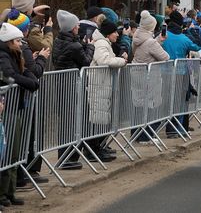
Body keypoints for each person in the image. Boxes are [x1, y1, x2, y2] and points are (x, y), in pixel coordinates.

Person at [6, 10, 50, 187]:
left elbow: (24, 70)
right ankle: (19, 176)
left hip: (18, 99)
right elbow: (33, 72)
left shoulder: (19, 48)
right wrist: (41, 59)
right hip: (16, 101)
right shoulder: (21, 47)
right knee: (17, 141)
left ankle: (17, 178)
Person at [0, 23, 39, 207]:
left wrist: (32, 79)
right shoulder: (3, 55)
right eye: (17, 40)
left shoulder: (15, 54)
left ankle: (10, 191)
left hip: (16, 107)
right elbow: (8, 75)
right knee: (7, 152)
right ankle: (2, 194)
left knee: (14, 152)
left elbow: (23, 71)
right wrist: (29, 83)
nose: (20, 42)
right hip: (7, 109)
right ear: (9, 42)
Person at [52, 10, 95, 170]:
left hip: (62, 85)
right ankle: (69, 158)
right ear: (71, 28)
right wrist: (90, 47)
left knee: (65, 120)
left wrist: (83, 44)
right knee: (72, 121)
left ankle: (64, 155)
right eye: (76, 24)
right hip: (73, 86)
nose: (78, 26)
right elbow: (85, 61)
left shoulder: (58, 41)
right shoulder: (74, 45)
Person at [87, 20, 128, 162]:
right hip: (98, 85)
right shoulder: (101, 44)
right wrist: (121, 62)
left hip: (102, 85)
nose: (117, 35)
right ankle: (93, 151)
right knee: (98, 120)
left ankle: (98, 148)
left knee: (102, 119)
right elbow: (104, 60)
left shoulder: (104, 43)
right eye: (115, 32)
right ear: (108, 33)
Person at [131, 11, 170, 144]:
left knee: (138, 103)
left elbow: (146, 47)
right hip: (149, 76)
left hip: (137, 73)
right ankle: (146, 135)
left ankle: (136, 133)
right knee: (149, 104)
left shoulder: (137, 36)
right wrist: (157, 42)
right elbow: (165, 57)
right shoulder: (150, 42)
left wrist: (158, 40)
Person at [162, 10, 201, 138]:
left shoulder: (162, 36)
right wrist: (192, 31)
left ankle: (169, 129)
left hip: (163, 72)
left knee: (167, 102)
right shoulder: (184, 38)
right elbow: (198, 46)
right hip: (181, 73)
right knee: (180, 102)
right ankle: (177, 129)